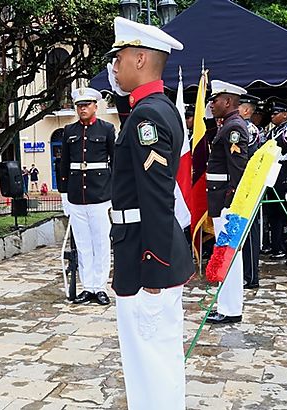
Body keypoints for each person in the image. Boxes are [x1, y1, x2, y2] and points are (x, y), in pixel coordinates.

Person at [107, 16, 192, 409]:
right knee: (153, 359)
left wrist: (153, 267)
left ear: (140, 58)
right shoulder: (160, 108)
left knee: (151, 361)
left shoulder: (148, 116)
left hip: (145, 256)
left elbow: (157, 197)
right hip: (143, 249)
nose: (115, 66)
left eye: (119, 57)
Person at [58, 87, 115, 305]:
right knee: (82, 244)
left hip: (100, 195)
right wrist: (64, 194)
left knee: (101, 243)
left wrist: (114, 194)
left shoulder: (107, 129)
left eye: (87, 105)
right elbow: (63, 164)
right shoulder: (69, 130)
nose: (82, 109)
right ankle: (87, 287)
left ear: (95, 106)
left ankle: (100, 287)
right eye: (79, 105)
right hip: (76, 195)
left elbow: (115, 162)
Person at [204, 81, 250, 324]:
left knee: (229, 254)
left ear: (229, 102)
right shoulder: (227, 126)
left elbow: (239, 170)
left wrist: (232, 204)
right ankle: (226, 304)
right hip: (220, 197)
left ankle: (231, 309)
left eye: (216, 99)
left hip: (226, 200)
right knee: (225, 253)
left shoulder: (234, 128)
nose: (212, 104)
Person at [266, 100, 287, 261]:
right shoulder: (272, 132)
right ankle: (276, 245)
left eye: (276, 113)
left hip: (284, 176)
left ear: (285, 114)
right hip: (272, 176)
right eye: (271, 113)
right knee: (272, 214)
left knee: (285, 214)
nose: (272, 116)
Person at [238, 94, 261, 290]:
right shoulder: (238, 126)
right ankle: (244, 273)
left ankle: (251, 275)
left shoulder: (248, 129)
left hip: (247, 186)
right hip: (239, 187)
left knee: (250, 232)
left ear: (246, 110)